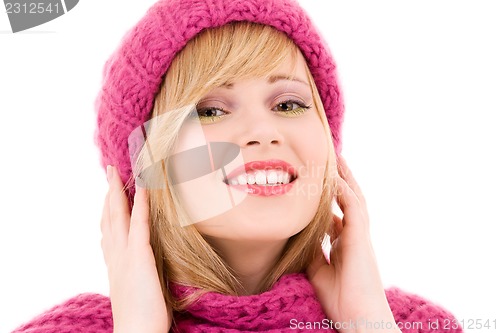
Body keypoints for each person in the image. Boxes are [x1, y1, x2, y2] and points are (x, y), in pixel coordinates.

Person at [11, 0, 463, 332]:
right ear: (145, 167)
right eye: (209, 110)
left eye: (288, 103)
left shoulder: (413, 326)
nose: (262, 132)